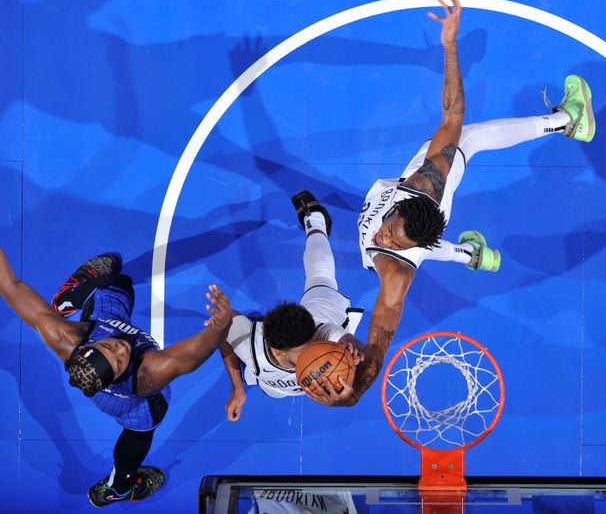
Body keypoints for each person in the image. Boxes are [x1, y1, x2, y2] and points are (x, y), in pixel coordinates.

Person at [308, 0, 596, 406]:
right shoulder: (425, 181)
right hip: (422, 208)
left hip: (425, 231)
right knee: (459, 135)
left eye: (394, 241)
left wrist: (355, 390)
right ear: (401, 207)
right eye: (391, 231)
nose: (385, 239)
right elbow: (451, 116)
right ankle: (474, 255)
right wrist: (449, 46)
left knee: (473, 141)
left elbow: (381, 334)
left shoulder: (396, 271)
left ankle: (569, 122)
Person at [0, 249, 233, 507]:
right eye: (120, 361)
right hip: (133, 404)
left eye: (109, 347)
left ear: (89, 346)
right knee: (140, 430)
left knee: (118, 280)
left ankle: (69, 299)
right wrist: (220, 327)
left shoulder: (66, 339)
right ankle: (119, 488)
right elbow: (193, 354)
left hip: (103, 335)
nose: (121, 349)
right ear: (120, 373)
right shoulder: (149, 373)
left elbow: (11, 286)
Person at [219, 190, 365, 416]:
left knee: (321, 276)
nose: (318, 349)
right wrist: (238, 389)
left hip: (321, 308)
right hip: (273, 383)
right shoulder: (250, 350)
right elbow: (224, 324)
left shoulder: (321, 333)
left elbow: (344, 338)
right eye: (306, 349)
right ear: (278, 353)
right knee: (274, 392)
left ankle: (315, 220)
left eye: (314, 342)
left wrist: (357, 351)